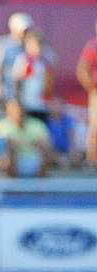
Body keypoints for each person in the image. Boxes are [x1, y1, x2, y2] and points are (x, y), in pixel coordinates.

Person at [0, 98, 52, 177]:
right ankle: (13, 183)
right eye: (14, 111)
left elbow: (46, 145)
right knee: (9, 149)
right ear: (8, 112)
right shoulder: (1, 126)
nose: (18, 113)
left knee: (45, 149)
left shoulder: (37, 125)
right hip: (10, 160)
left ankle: (40, 185)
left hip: (34, 158)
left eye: (20, 111)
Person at [0, 12, 32, 105]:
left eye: (27, 29)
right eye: (24, 30)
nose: (26, 32)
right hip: (7, 94)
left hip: (27, 96)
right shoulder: (3, 44)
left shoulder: (32, 44)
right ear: (14, 29)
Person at [11, 28, 52, 125]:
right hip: (26, 105)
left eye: (39, 45)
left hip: (40, 106)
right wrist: (18, 103)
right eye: (33, 45)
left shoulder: (45, 62)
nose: (37, 48)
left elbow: (48, 86)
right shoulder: (22, 59)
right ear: (27, 45)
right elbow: (16, 81)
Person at [77, 20, 97, 166]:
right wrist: (92, 88)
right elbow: (82, 69)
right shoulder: (94, 45)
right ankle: (93, 160)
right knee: (96, 126)